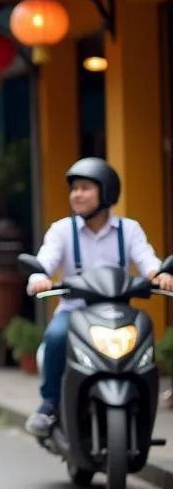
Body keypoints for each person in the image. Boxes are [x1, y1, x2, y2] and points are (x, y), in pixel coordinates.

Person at [24, 157, 173, 437]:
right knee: (56, 337)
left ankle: (142, 403)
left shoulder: (129, 230)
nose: (76, 195)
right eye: (74, 189)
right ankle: (49, 404)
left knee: (145, 335)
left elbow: (148, 262)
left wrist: (160, 275)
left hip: (118, 313)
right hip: (74, 312)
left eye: (84, 188)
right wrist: (39, 279)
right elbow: (44, 262)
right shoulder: (61, 230)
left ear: (106, 192)